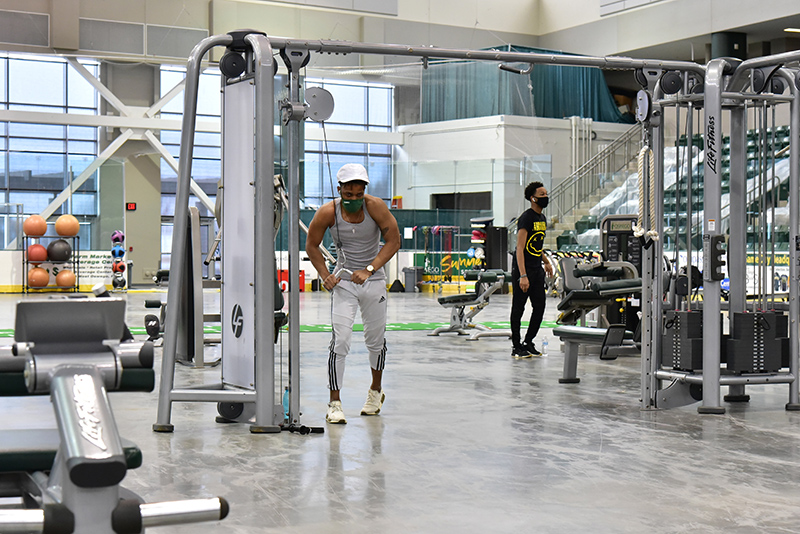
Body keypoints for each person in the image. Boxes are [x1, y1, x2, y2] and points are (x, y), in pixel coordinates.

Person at [306, 163, 401, 424]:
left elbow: (394, 241)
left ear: (364, 191)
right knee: (341, 340)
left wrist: (370, 269)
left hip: (374, 279)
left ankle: (375, 392)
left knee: (375, 340)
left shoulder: (376, 207)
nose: (354, 200)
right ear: (339, 191)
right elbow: (312, 245)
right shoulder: (328, 212)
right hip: (344, 281)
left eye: (358, 195)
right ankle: (334, 403)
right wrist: (325, 275)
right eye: (348, 196)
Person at [510, 181, 554, 358]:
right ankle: (516, 346)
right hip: (524, 269)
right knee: (518, 309)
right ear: (532, 198)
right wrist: (523, 275)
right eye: (542, 195)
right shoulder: (526, 218)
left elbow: (535, 245)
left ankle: (528, 341)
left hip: (537, 269)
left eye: (546, 194)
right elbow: (520, 248)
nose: (545, 197)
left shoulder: (542, 219)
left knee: (540, 306)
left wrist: (546, 261)